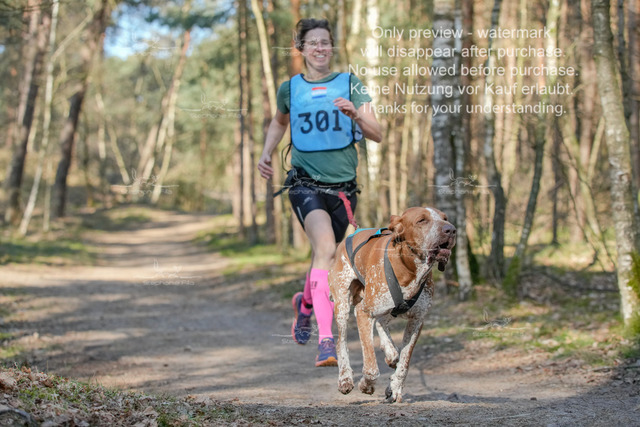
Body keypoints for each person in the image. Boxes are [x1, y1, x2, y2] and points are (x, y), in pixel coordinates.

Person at [258, 18, 382, 367]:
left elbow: (378, 133)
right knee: (326, 248)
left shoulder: (350, 84)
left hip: (343, 190)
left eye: (325, 42)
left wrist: (356, 115)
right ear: (301, 48)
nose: (319, 48)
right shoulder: (290, 89)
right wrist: (266, 152)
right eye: (312, 42)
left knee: (324, 258)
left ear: (332, 46)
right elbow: (279, 122)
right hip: (304, 184)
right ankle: (326, 341)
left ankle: (306, 304)